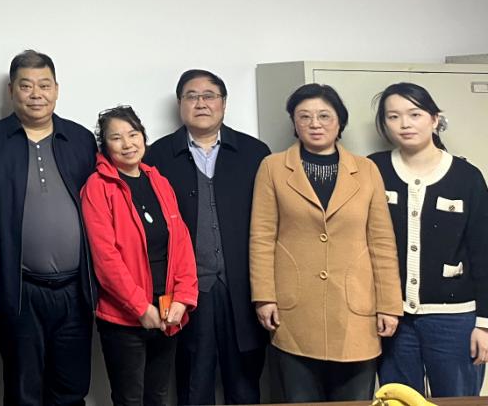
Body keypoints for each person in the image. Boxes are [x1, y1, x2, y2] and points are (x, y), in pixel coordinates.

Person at [250, 83, 402, 403]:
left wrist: (389, 305)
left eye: (324, 116)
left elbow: (382, 243)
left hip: (356, 309)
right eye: (304, 116)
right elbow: (262, 237)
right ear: (294, 123)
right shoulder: (273, 167)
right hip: (294, 310)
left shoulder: (367, 170)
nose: (314, 124)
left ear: (339, 121)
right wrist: (264, 297)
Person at [0, 49, 97, 406]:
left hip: (76, 291)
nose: (36, 94)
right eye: (26, 86)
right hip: (19, 291)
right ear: (11, 90)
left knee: (71, 389)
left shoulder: (81, 139)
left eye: (44, 85)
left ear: (56, 89)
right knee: (22, 390)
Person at [144, 69, 270, 405]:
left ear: (224, 104)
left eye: (209, 96)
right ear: (180, 104)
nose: (201, 103)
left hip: (242, 288)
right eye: (192, 96)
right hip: (187, 292)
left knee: (244, 385)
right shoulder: (157, 156)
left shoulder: (255, 153)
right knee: (193, 382)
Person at [369, 82, 488, 396]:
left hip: (455, 320)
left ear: (435, 119)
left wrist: (484, 324)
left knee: (457, 400)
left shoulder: (466, 177)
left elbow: (483, 252)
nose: (405, 124)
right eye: (393, 116)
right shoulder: (373, 169)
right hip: (392, 318)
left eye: (415, 114)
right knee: (398, 399)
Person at [81, 106, 198, 406]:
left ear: (143, 137)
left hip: (167, 310)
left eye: (133, 134)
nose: (127, 144)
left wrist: (183, 298)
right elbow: (105, 258)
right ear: (105, 146)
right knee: (129, 399)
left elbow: (181, 242)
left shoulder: (158, 180)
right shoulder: (97, 187)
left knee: (158, 396)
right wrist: (140, 307)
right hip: (124, 316)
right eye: (116, 138)